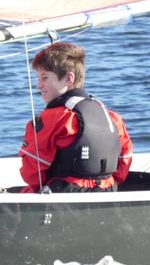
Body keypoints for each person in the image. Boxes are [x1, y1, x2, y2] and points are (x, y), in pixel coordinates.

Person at [19, 41, 133, 193]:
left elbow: (32, 171)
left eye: (44, 77)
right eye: (38, 78)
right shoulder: (112, 117)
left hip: (65, 194)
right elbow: (125, 158)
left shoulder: (54, 119)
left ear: (68, 79)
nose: (39, 85)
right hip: (109, 190)